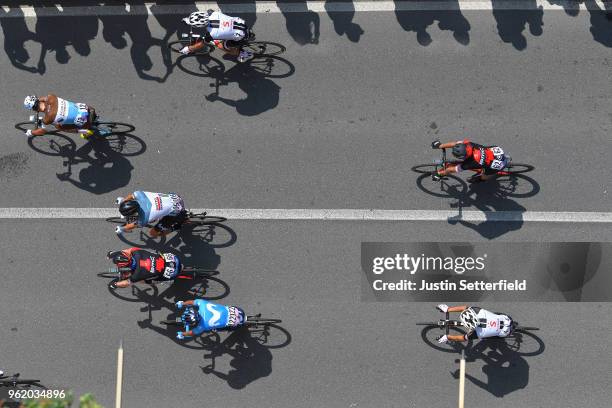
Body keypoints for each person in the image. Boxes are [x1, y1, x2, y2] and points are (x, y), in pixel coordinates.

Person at [179, 10, 254, 63]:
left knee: (221, 46)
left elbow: (201, 44)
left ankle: (244, 54)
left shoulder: (213, 34)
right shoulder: (214, 13)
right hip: (241, 23)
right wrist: (189, 20)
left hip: (241, 36)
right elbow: (203, 15)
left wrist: (188, 49)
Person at [22, 94, 102, 139]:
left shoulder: (48, 119)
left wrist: (31, 132)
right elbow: (43, 99)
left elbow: (43, 131)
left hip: (85, 120)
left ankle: (85, 131)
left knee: (59, 127)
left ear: (34, 109)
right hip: (86, 108)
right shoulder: (51, 97)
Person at [431, 139, 508, 182]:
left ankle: (481, 179)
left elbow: (452, 170)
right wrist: (440, 146)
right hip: (496, 151)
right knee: (486, 149)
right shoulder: (468, 144)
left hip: (498, 163)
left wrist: (440, 173)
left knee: (485, 175)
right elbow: (455, 144)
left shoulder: (471, 163)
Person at [115, 191, 187, 237]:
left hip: (177, 210)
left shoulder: (145, 217)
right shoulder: (140, 194)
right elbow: (131, 196)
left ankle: (175, 227)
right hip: (174, 197)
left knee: (153, 233)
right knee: (156, 215)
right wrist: (123, 201)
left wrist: (122, 229)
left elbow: (130, 226)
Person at [107, 248, 182, 289]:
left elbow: (127, 283)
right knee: (154, 254)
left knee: (143, 281)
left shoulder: (136, 275)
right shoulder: (137, 253)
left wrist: (116, 284)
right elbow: (129, 250)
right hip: (174, 259)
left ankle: (168, 282)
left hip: (172, 273)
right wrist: (113, 253)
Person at [436, 304, 513, 343]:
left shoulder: (480, 334)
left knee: (485, 339)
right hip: (506, 319)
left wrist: (448, 337)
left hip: (504, 332)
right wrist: (447, 337)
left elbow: (463, 338)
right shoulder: (478, 311)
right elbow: (465, 308)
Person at [175, 299, 246, 339]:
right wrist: (182, 303)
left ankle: (228, 329)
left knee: (215, 329)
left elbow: (192, 333)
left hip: (238, 323)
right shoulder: (202, 304)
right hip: (238, 310)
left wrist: (183, 334)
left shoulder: (203, 326)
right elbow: (192, 302)